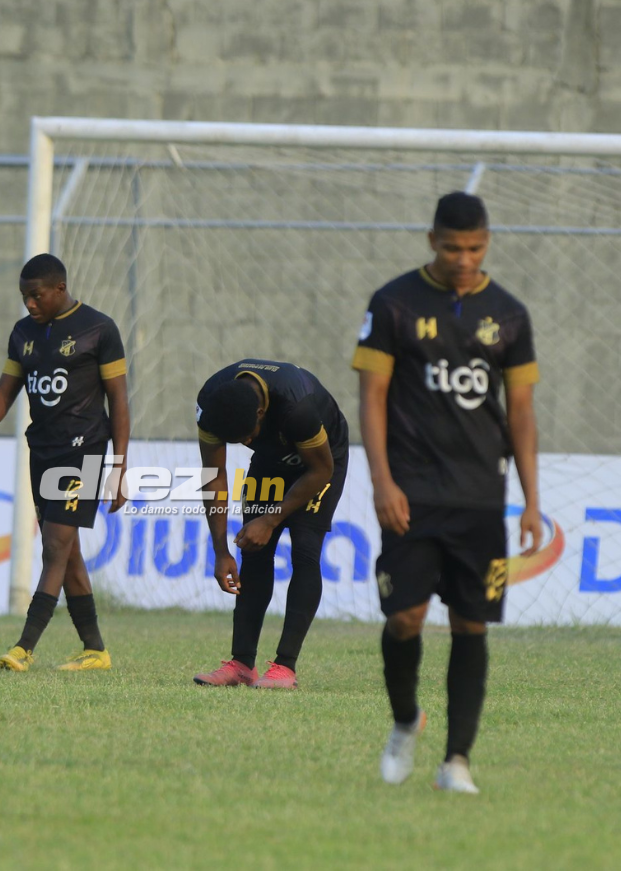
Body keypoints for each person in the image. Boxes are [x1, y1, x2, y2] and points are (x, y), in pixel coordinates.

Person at [352, 191, 541, 794]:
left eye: (476, 248)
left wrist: (532, 501)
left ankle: (456, 760)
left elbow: (521, 413)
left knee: (471, 623)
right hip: (411, 491)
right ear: (433, 240)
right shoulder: (393, 302)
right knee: (405, 617)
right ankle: (405, 720)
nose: (464, 259)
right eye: (454, 247)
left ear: (487, 243)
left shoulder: (509, 314)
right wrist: (382, 481)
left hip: (480, 495)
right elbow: (372, 397)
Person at [0, 253, 129, 672]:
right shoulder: (23, 333)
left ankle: (24, 647)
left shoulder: (99, 329)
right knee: (67, 551)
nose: (29, 304)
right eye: (24, 297)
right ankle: (95, 649)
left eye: (36, 295)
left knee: (54, 546)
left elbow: (119, 399)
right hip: (43, 451)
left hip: (84, 450)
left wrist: (119, 466)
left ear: (60, 289)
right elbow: (5, 391)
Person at [192, 360, 349, 689]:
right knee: (253, 551)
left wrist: (271, 518)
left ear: (261, 413)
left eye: (247, 437)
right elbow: (214, 477)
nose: (245, 442)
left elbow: (321, 470)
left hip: (321, 460)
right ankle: (241, 664)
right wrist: (221, 552)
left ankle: (285, 668)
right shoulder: (211, 404)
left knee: (305, 549)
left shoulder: (296, 407)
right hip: (271, 458)